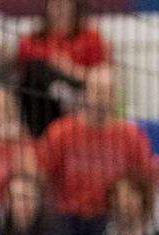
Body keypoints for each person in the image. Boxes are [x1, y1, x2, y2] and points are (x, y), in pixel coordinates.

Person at [38, 65, 159, 231]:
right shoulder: (61, 132)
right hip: (66, 217)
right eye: (97, 91)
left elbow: (147, 179)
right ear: (85, 94)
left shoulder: (132, 135)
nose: (102, 98)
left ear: (116, 97)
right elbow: (40, 175)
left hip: (113, 218)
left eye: (108, 92)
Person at [15, 0, 109, 138]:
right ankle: (42, 136)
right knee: (37, 71)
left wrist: (70, 68)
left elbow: (102, 77)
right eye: (56, 4)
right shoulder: (31, 41)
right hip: (43, 99)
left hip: (79, 90)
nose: (61, 9)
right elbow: (22, 80)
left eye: (66, 4)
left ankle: (64, 97)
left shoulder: (90, 38)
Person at [0, 82, 39, 212]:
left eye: (7, 107)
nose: (1, 113)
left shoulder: (23, 141)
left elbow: (34, 176)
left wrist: (18, 141)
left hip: (11, 212)